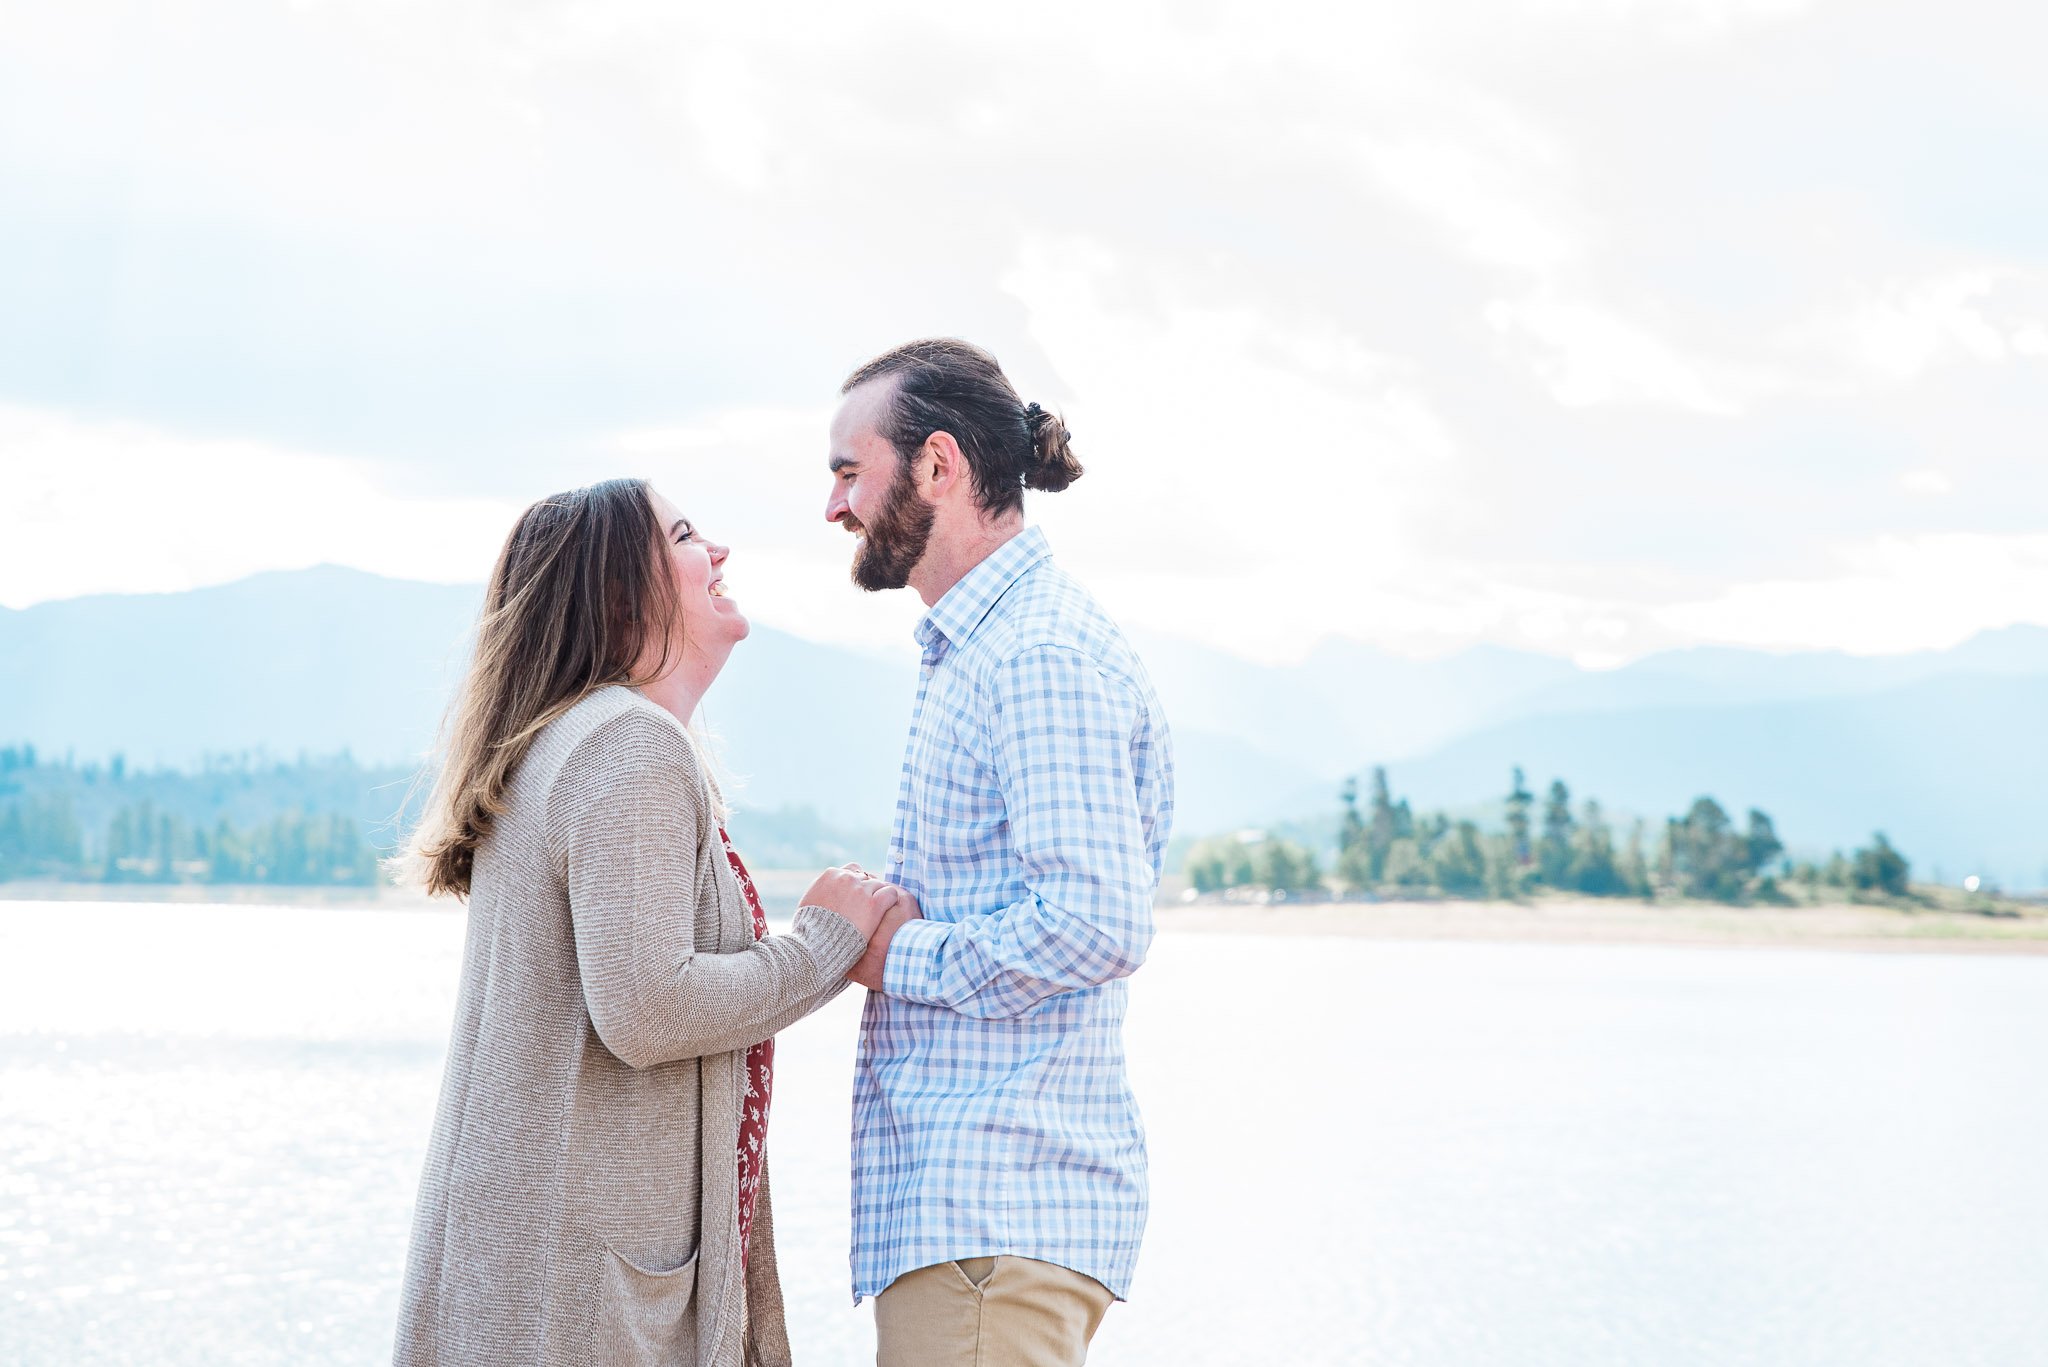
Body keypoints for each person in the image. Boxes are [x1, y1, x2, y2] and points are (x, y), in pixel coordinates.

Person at [393, 477, 896, 1367]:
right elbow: (649, 1008)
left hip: (529, 1276)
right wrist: (824, 945)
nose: (721, 552)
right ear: (622, 592)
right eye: (687, 534)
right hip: (578, 1300)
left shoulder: (568, 741)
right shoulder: (628, 745)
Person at [824, 340, 1175, 1366]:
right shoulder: (986, 648)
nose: (834, 506)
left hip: (997, 1219)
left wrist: (892, 954)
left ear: (938, 465)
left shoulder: (1036, 655)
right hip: (980, 1223)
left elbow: (1095, 923)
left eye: (848, 470)